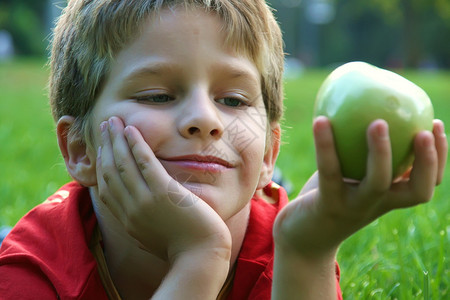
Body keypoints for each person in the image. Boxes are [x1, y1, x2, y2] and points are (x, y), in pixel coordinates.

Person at [0, 0, 447, 299]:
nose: (206, 119)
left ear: (270, 153)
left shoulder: (286, 248)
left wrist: (308, 252)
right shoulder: (31, 274)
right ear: (79, 148)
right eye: (157, 96)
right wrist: (199, 257)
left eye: (233, 101)